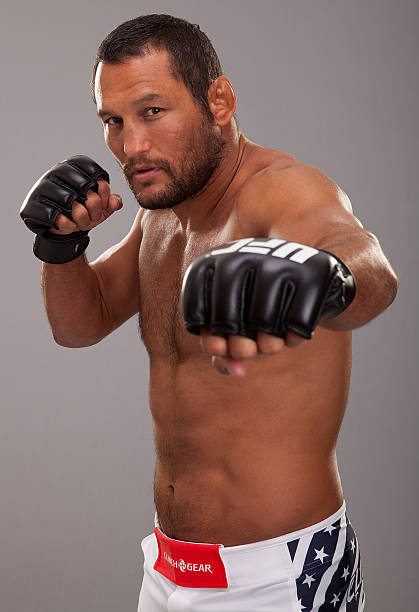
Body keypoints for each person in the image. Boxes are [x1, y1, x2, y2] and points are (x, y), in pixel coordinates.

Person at [20, 13, 398, 612]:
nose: (131, 146)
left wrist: (322, 276)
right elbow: (79, 325)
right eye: (113, 121)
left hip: (278, 577)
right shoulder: (160, 215)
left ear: (218, 100)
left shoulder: (282, 190)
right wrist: (61, 247)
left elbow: (367, 264)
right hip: (169, 568)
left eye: (152, 111)